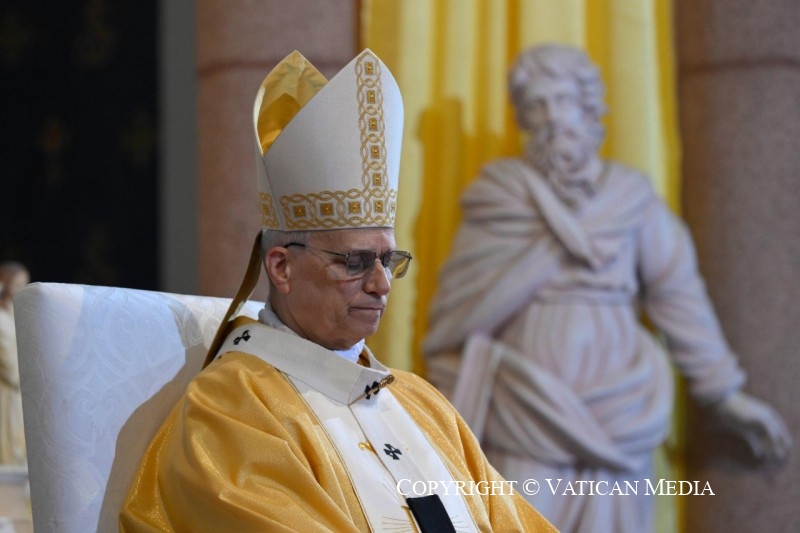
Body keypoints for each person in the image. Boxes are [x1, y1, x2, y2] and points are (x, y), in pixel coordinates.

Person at [120, 49, 555, 532]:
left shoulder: (422, 403)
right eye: (355, 262)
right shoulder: (231, 408)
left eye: (388, 260)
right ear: (281, 267)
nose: (381, 284)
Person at [423, 43, 792, 533]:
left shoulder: (631, 199)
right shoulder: (499, 196)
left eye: (562, 101)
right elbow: (460, 304)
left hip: (621, 404)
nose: (553, 118)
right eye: (537, 105)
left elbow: (677, 295)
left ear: (590, 107)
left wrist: (725, 394)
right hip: (524, 406)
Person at [0, 261, 29, 465]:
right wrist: (21, 378)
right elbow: (6, 355)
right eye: (17, 283)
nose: (20, 288)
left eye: (24, 284)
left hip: (21, 389)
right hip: (7, 389)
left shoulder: (20, 316)